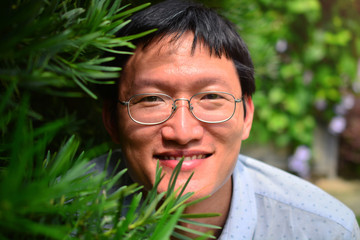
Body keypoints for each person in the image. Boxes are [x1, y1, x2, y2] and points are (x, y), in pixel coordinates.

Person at [99, 0, 360, 239]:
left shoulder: (324, 230)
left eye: (211, 96)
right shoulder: (65, 213)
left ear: (246, 115)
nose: (182, 131)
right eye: (152, 99)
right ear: (111, 120)